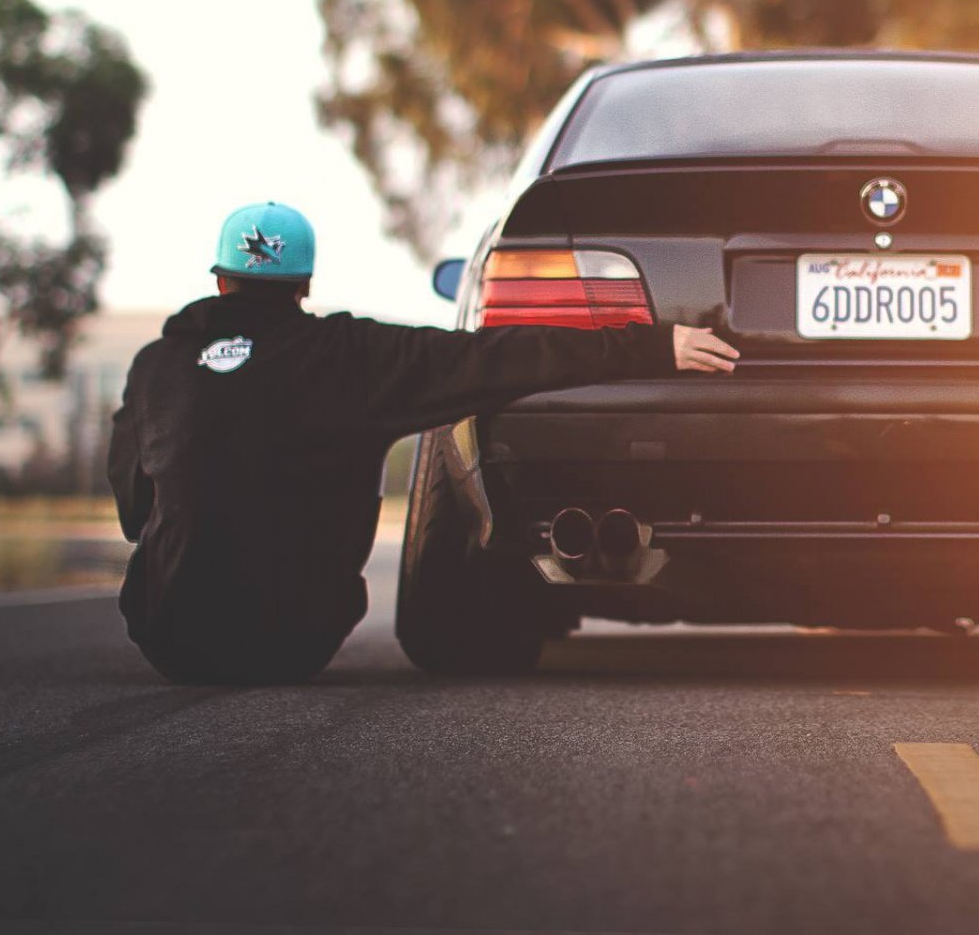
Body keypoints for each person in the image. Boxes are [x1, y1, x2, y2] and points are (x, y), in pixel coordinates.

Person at [108, 201, 738, 684]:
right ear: (304, 287)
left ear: (221, 282)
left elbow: (134, 505)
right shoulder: (351, 357)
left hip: (172, 641)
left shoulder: (153, 366)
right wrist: (654, 344)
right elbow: (494, 357)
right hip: (288, 644)